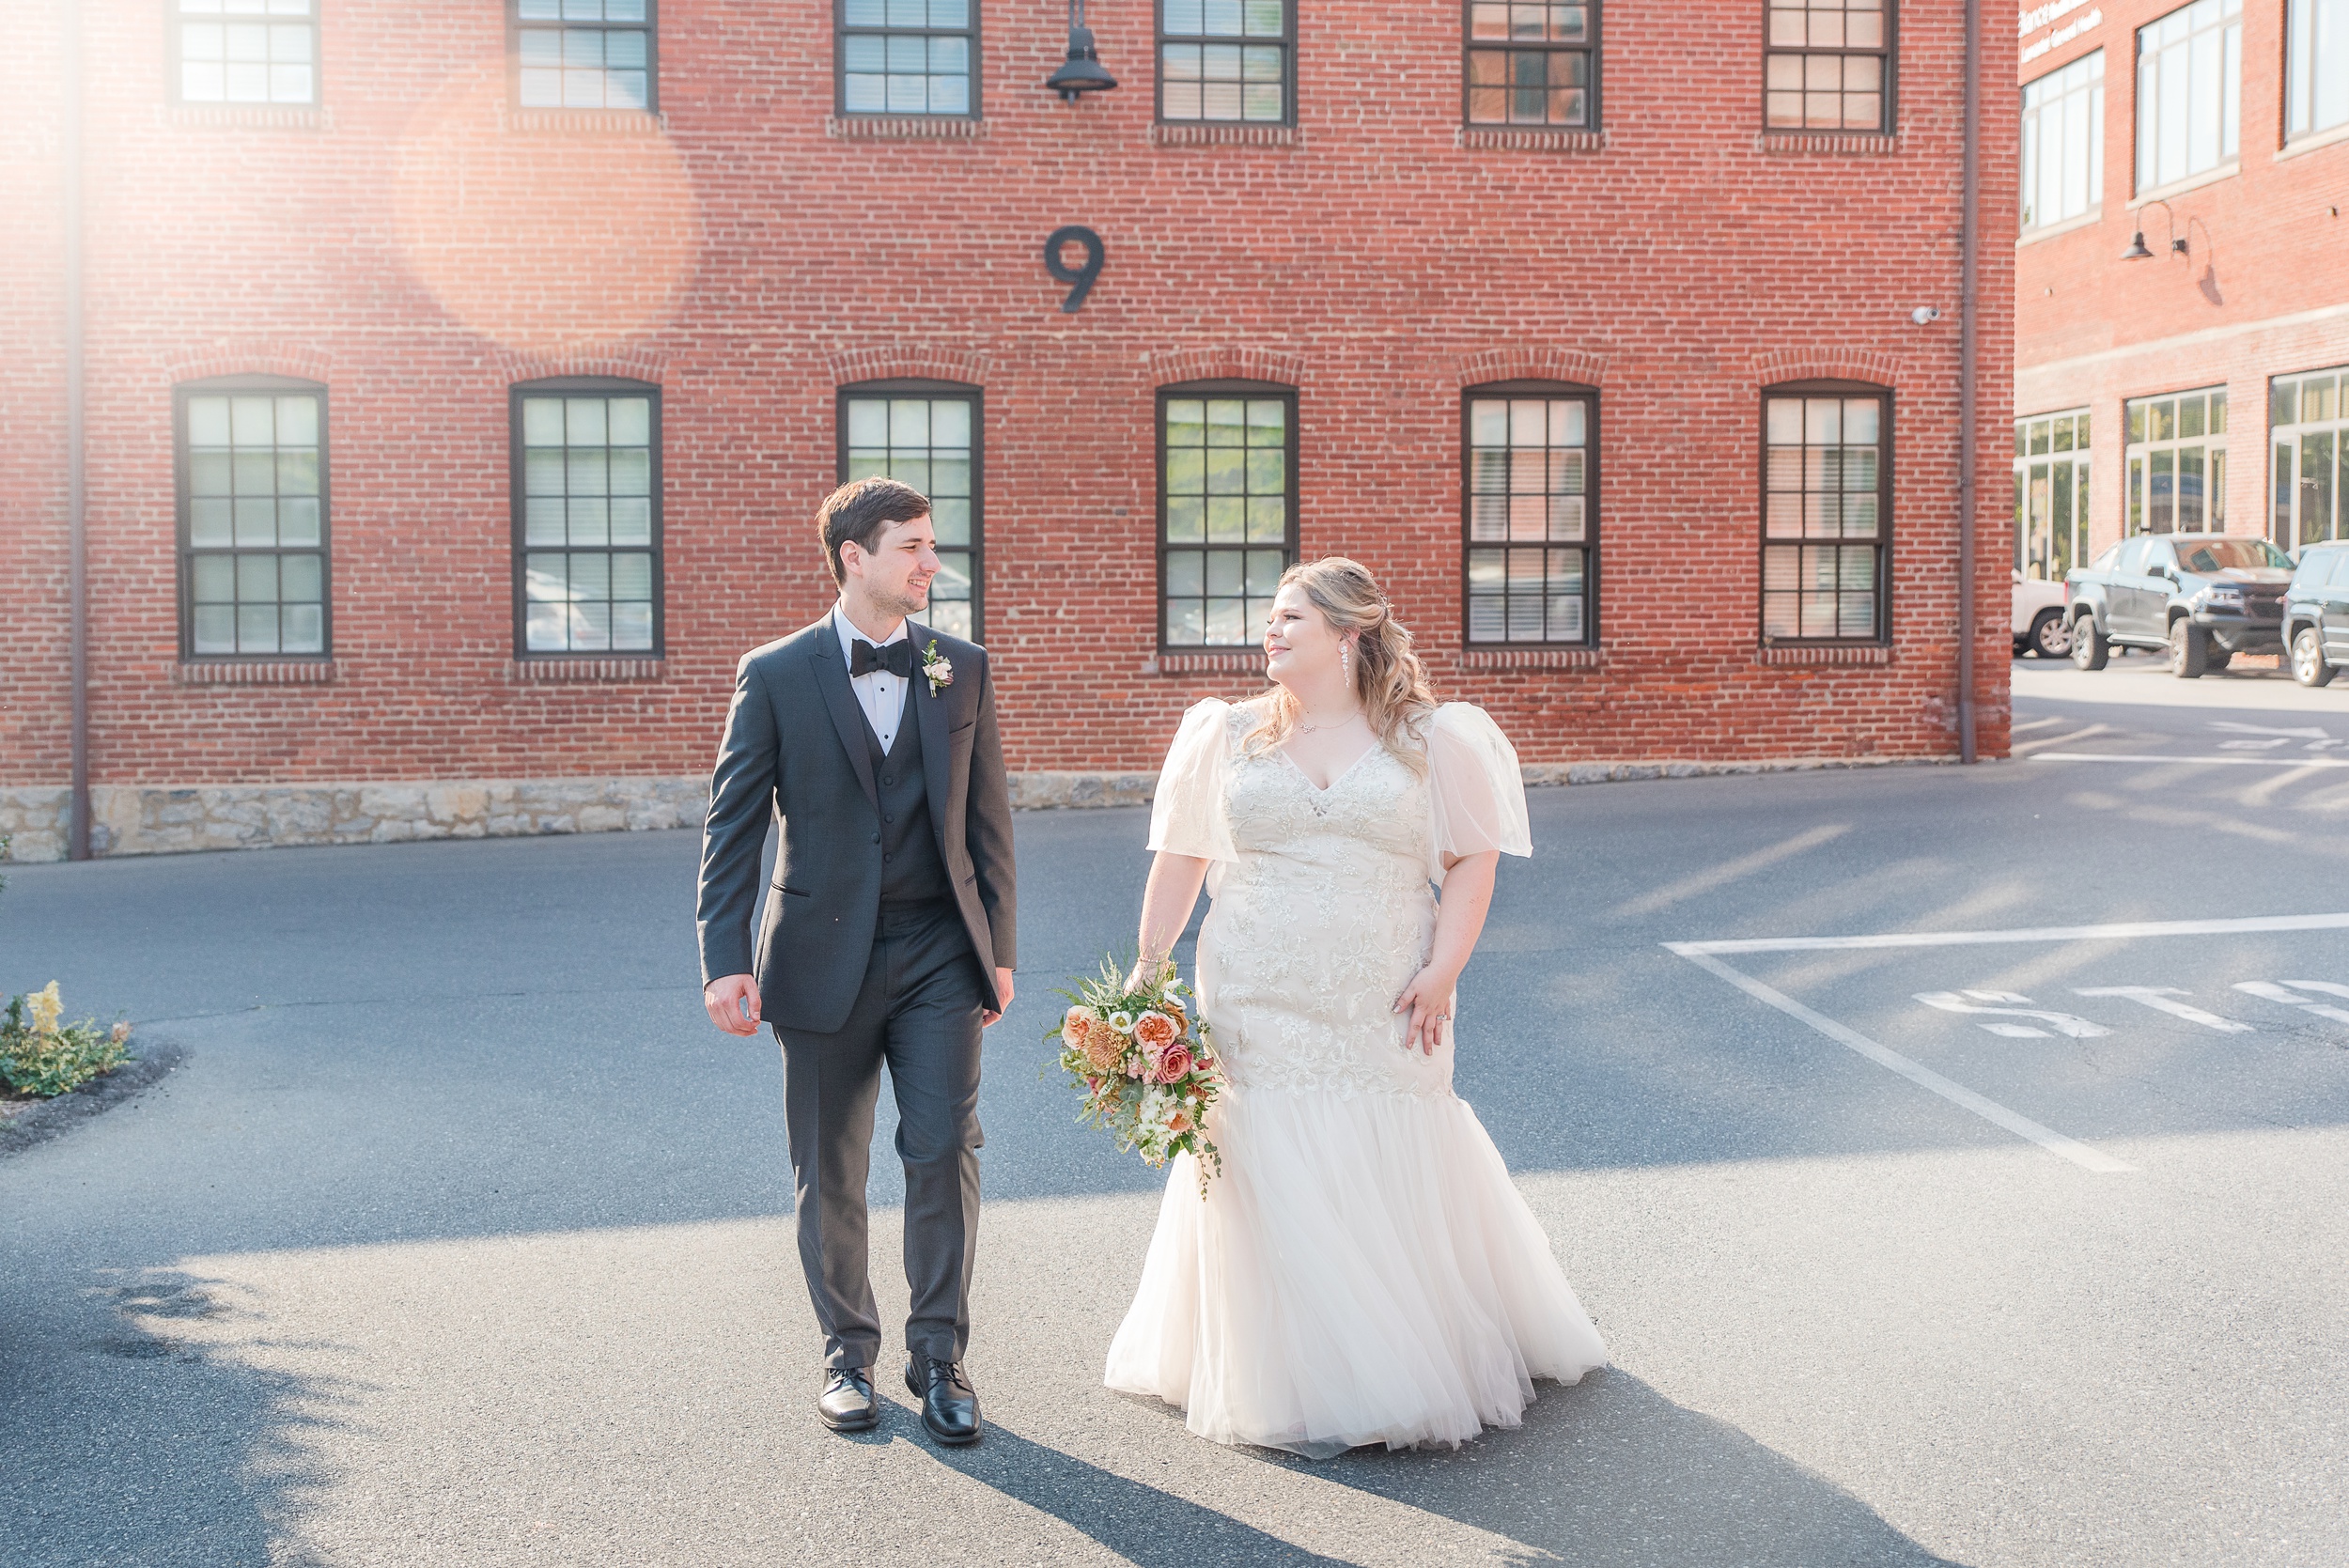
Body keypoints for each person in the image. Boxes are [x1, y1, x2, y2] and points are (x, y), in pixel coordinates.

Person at [1105, 556, 1606, 1458]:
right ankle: (1285, 1368)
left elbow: (1472, 862)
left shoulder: (1431, 737)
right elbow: (1180, 858)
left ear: (1348, 633)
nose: (1270, 630)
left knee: (1387, 1142)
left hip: (1385, 994)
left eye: (1290, 616)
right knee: (1264, 1156)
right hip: (1254, 991)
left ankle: (1404, 1352)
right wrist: (1146, 970)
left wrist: (1444, 969)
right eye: (1269, 615)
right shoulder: (1225, 734)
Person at [696, 476, 1017, 1447]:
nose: (931, 562)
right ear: (854, 556)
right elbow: (734, 825)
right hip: (819, 953)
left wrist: (998, 951)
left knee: (942, 1148)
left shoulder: (960, 666)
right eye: (913, 546)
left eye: (931, 544)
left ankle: (938, 1356)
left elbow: (988, 820)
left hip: (937, 954)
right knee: (829, 1167)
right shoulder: (777, 673)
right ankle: (846, 1353)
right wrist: (724, 959)